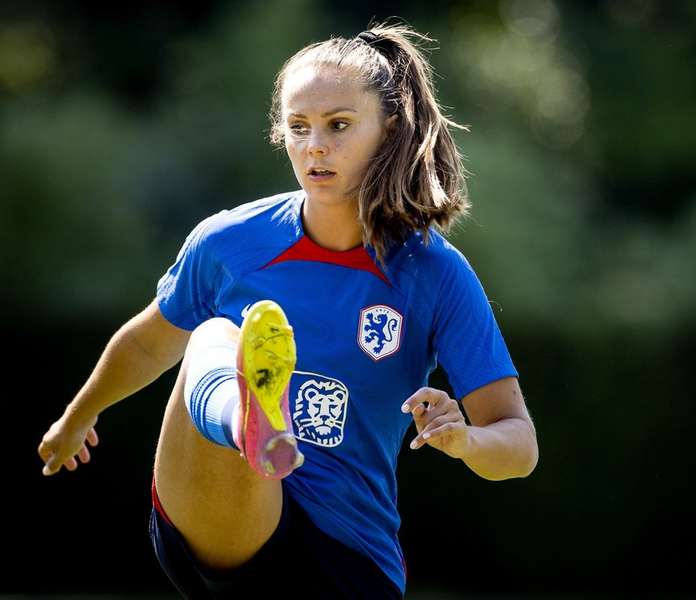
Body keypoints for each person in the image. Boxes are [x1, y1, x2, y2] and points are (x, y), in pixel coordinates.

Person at [37, 22, 539, 599]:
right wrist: (77, 417)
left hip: (345, 559)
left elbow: (517, 446)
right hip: (221, 518)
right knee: (216, 335)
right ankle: (248, 419)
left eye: (339, 126)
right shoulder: (229, 241)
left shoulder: (435, 273)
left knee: (219, 335)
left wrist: (465, 440)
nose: (315, 146)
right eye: (298, 128)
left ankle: (254, 418)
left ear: (390, 129)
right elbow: (150, 342)